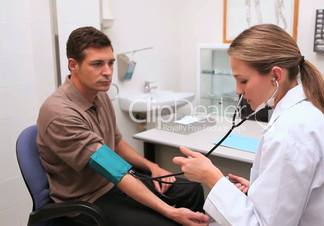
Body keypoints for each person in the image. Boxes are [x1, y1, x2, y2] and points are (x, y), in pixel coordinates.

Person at [173, 24, 324, 226]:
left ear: (276, 76)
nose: (237, 90)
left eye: (243, 81)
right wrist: (257, 190)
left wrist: (211, 178)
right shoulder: (306, 115)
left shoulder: (290, 134)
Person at [36, 26, 208, 226]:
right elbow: (113, 168)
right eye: (97, 64)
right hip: (87, 200)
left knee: (191, 190)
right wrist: (170, 212)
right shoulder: (60, 113)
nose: (108, 72)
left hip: (112, 183)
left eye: (111, 63)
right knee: (166, 221)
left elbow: (116, 142)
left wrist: (153, 167)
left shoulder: (99, 95)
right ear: (73, 65)